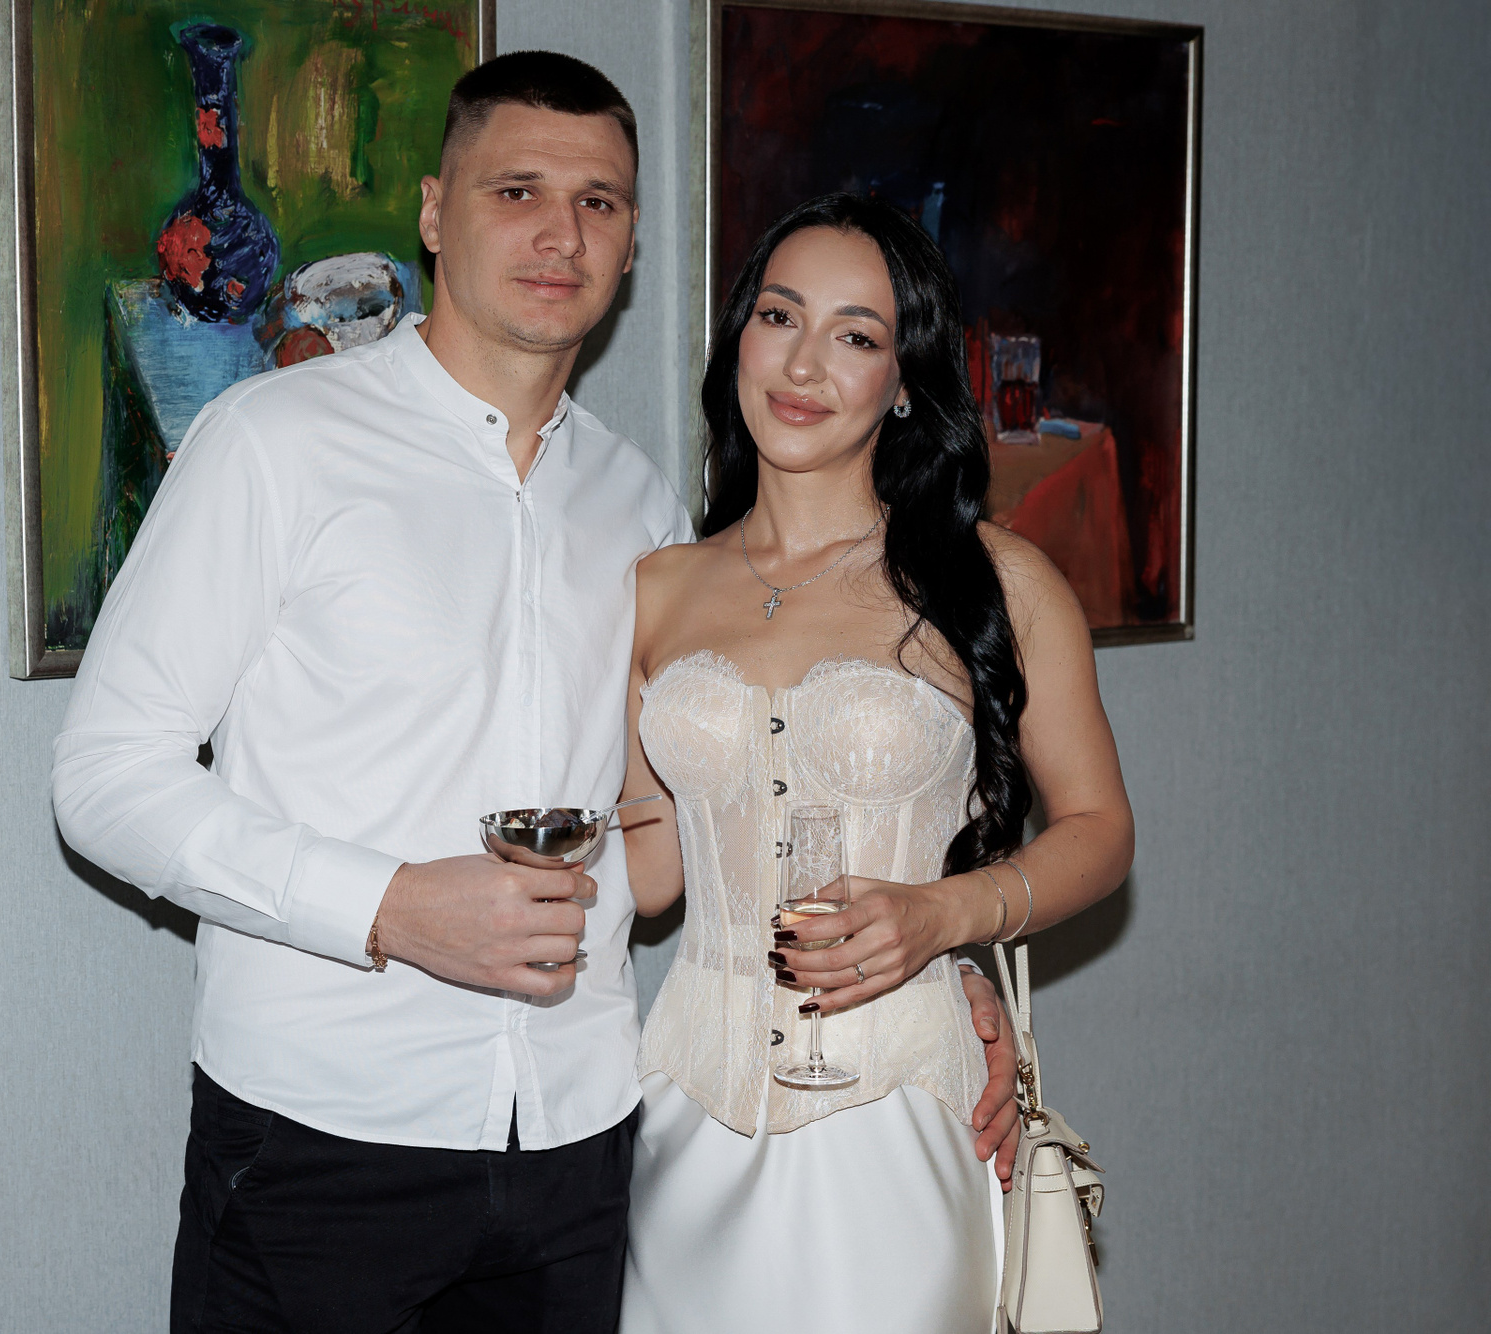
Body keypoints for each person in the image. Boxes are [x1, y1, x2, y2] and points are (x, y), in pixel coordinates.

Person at [53, 53, 1020, 1334]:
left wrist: (939, 957)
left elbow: (712, 815)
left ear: (630, 244)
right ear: (433, 211)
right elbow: (104, 780)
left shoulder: (643, 510)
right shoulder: (273, 443)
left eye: (598, 202)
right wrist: (389, 906)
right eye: (516, 191)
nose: (560, 233)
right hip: (322, 1136)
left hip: (581, 1139)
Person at [615, 192, 1137, 1332]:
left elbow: (1101, 830)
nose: (803, 363)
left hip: (897, 1119)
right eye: (778, 316)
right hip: (686, 1115)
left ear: (904, 380)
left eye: (854, 335)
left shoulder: (995, 581)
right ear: (739, 338)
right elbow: (649, 870)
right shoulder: (655, 587)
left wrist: (947, 916)